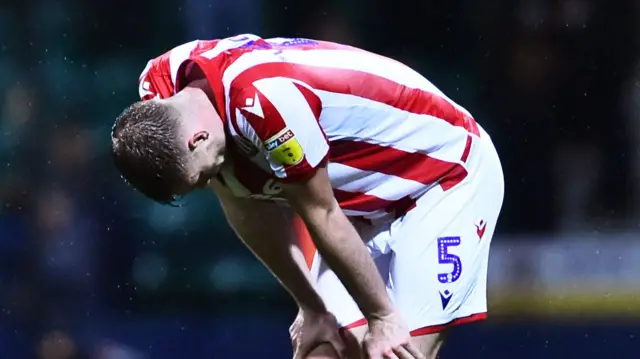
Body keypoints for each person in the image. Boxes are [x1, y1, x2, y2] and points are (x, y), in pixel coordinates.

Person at [111, 34, 504, 359]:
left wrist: (382, 317)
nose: (206, 186)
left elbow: (320, 212)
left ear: (196, 139)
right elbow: (244, 204)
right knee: (324, 350)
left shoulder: (265, 104)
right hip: (359, 205)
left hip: (444, 176)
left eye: (200, 180)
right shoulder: (161, 92)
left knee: (396, 351)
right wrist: (311, 305)